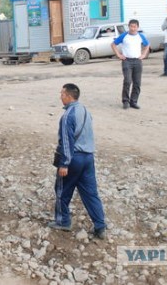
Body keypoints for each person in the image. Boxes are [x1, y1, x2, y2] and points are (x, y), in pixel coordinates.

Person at [49, 83, 106, 239]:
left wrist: (64, 163)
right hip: (88, 158)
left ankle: (63, 222)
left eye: (62, 94)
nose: (60, 96)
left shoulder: (67, 116)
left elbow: (67, 141)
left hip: (74, 159)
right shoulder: (85, 111)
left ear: (68, 96)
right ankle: (100, 226)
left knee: (62, 190)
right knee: (91, 193)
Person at [110, 19, 150, 109]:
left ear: (137, 27)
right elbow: (113, 44)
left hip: (137, 61)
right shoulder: (124, 36)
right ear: (128, 27)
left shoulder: (140, 36)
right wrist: (118, 55)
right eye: (131, 26)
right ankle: (125, 101)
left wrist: (143, 54)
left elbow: (147, 45)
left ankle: (134, 101)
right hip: (127, 61)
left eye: (134, 26)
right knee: (127, 81)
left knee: (137, 82)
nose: (133, 28)